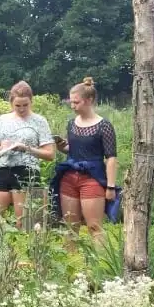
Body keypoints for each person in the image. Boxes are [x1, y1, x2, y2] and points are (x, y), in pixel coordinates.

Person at [49, 77, 120, 240]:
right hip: (69, 177)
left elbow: (110, 158)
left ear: (89, 100)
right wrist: (62, 147)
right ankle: (71, 264)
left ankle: (99, 265)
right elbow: (74, 149)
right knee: (69, 227)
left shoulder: (104, 126)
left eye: (76, 102)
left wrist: (110, 186)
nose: (72, 106)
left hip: (93, 178)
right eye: (71, 102)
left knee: (94, 227)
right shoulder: (71, 124)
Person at [0, 81, 55, 227]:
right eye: (17, 105)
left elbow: (50, 154)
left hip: (28, 171)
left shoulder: (40, 121)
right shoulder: (2, 120)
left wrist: (26, 148)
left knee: (29, 223)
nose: (22, 109)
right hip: (3, 170)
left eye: (25, 105)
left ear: (31, 101)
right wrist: (2, 148)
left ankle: (29, 248)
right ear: (11, 103)